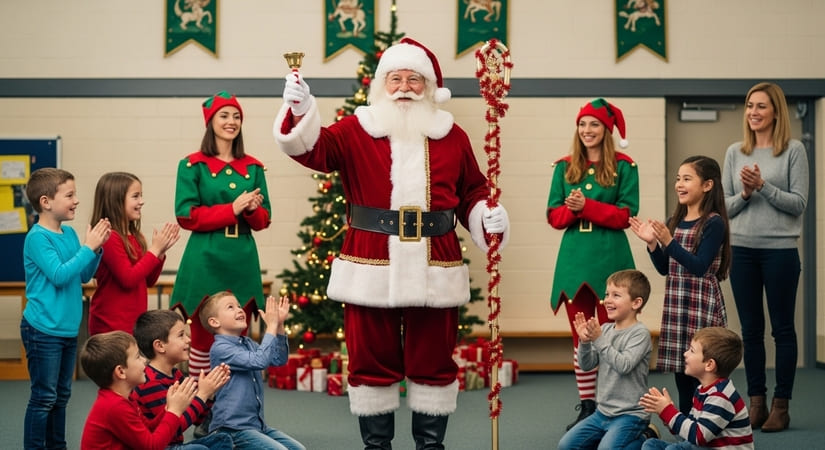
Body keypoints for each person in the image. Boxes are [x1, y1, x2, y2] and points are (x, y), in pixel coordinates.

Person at [274, 37, 510, 449]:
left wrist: (485, 216)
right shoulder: (355, 129)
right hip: (370, 263)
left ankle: (430, 445)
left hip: (436, 263)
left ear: (430, 86)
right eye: (395, 78)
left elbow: (473, 190)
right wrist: (301, 109)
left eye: (414, 79)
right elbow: (312, 150)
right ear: (382, 83)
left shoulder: (452, 135)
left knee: (434, 362)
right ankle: (377, 446)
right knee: (370, 360)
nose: (404, 87)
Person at [546, 98, 640, 430]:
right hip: (574, 261)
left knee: (613, 337)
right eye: (583, 124)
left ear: (606, 130)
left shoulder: (625, 167)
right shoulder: (564, 167)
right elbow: (553, 216)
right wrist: (571, 210)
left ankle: (612, 404)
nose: (587, 130)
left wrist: (587, 206)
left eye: (594, 124)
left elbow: (626, 214)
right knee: (581, 336)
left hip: (610, 259)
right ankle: (588, 406)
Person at [721, 82, 808, 433]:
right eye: (749, 106)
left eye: (761, 106)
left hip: (781, 252)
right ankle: (756, 402)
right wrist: (744, 192)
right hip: (742, 251)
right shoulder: (734, 152)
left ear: (776, 112)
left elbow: (798, 203)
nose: (753, 112)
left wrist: (764, 187)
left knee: (782, 330)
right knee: (750, 332)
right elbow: (724, 208)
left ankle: (781, 406)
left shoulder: (793, 151)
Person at [170, 91, 272, 380]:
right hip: (205, 258)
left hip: (241, 258)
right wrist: (232, 208)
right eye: (224, 115)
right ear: (210, 121)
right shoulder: (192, 165)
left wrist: (251, 210)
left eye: (236, 116)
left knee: (239, 334)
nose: (231, 121)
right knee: (202, 339)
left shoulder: (253, 167)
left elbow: (265, 220)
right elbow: (186, 215)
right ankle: (204, 409)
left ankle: (237, 406)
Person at [629, 155, 731, 416]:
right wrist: (653, 243)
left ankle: (708, 426)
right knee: (683, 373)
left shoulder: (713, 222)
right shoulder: (674, 219)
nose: (679, 184)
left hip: (701, 305)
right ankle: (687, 429)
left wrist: (670, 241)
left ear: (707, 185)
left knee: (704, 374)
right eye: (678, 179)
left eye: (687, 179)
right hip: (678, 305)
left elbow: (699, 267)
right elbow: (666, 267)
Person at [21, 167, 111, 449]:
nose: (76, 200)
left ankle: (56, 446)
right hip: (42, 330)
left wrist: (96, 250)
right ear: (46, 202)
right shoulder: (37, 237)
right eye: (69, 195)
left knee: (61, 396)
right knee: (44, 397)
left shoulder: (70, 234)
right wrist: (89, 247)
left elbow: (82, 276)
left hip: (67, 329)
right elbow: (59, 275)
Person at [558, 269, 653, 450]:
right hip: (602, 413)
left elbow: (623, 365)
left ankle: (646, 437)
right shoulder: (606, 329)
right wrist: (584, 342)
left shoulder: (640, 334)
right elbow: (586, 365)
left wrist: (598, 339)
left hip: (631, 415)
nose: (607, 300)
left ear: (636, 303)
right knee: (565, 446)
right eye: (607, 294)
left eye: (616, 295)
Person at [200, 291, 305, 450]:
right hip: (232, 428)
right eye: (230, 307)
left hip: (256, 425)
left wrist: (279, 326)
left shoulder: (247, 343)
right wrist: (271, 326)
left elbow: (278, 360)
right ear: (215, 322)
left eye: (239, 306)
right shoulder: (220, 348)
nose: (239, 310)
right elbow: (260, 361)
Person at [88, 172, 181, 335]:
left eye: (141, 196)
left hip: (132, 324)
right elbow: (128, 279)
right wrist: (154, 250)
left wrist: (159, 254)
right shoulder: (109, 237)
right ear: (116, 200)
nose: (141, 202)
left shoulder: (135, 236)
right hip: (111, 326)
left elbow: (148, 280)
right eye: (135, 196)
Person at [131, 309, 233, 449]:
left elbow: (197, 420)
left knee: (223, 440)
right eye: (181, 335)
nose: (188, 339)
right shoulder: (150, 382)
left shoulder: (176, 375)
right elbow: (174, 429)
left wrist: (209, 394)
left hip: (175, 445)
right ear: (160, 346)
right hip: (160, 447)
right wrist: (201, 395)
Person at [80, 330, 199, 449]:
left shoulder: (126, 397)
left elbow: (148, 428)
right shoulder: (115, 406)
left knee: (216, 439)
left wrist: (168, 408)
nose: (145, 360)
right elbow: (152, 446)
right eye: (137, 357)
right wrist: (174, 411)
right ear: (121, 372)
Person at [639, 327, 754, 449]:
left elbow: (698, 437)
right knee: (651, 444)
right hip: (703, 444)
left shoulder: (721, 397)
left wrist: (668, 411)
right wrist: (666, 415)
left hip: (706, 444)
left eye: (692, 351)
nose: (685, 353)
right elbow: (687, 435)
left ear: (709, 365)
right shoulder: (701, 390)